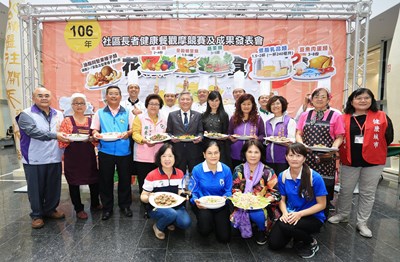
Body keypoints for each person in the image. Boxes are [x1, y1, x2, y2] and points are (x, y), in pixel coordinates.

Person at [328, 88, 394, 238]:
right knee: (345, 190)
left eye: (366, 98)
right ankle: (343, 215)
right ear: (352, 101)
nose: (363, 100)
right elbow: (337, 135)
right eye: (359, 98)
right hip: (350, 160)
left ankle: (362, 222)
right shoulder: (343, 117)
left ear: (372, 100)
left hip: (374, 161)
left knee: (367, 193)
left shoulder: (381, 117)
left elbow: (388, 137)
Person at [16, 87, 69, 229]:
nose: (44, 98)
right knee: (35, 188)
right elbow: (34, 132)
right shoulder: (26, 114)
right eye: (40, 95)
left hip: (54, 156)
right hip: (34, 158)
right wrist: (55, 135)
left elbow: (64, 131)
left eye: (46, 95)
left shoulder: (59, 114)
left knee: (53, 186)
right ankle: (37, 215)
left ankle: (50, 210)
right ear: (33, 98)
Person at [268, 143, 327, 259]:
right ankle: (296, 235)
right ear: (286, 157)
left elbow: (322, 204)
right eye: (291, 155)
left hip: (312, 216)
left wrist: (299, 214)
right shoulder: (283, 176)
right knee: (274, 244)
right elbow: (282, 200)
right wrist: (284, 213)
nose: (294, 159)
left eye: (298, 156)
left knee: (284, 225)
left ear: (304, 158)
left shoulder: (314, 177)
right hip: (291, 214)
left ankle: (310, 242)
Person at [295, 87, 344, 218]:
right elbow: (298, 133)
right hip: (307, 156)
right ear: (311, 99)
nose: (319, 99)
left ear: (328, 99)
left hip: (326, 157)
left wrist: (333, 148)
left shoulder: (336, 115)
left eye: (323, 96)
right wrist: (302, 145)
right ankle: (305, 213)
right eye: (316, 96)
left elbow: (340, 136)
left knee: (324, 186)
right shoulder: (306, 115)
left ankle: (322, 216)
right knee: (306, 184)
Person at [91, 86, 134, 220]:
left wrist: (128, 133)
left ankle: (125, 205)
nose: (114, 96)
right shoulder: (99, 113)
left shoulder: (128, 112)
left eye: (116, 94)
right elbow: (94, 130)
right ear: (106, 96)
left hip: (124, 151)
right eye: (111, 94)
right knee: (105, 180)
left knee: (125, 180)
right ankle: (107, 208)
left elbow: (133, 129)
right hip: (106, 151)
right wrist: (96, 134)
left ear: (120, 97)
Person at [59, 93, 101, 219]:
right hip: (73, 157)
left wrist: (92, 138)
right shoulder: (67, 121)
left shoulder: (91, 120)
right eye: (76, 103)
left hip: (88, 156)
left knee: (94, 180)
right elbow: (61, 140)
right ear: (72, 105)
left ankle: (95, 203)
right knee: (73, 182)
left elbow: (96, 139)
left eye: (81, 103)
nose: (79, 105)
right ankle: (79, 208)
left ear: (86, 105)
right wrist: (68, 139)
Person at [231, 140, 281, 245]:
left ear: (261, 154)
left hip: (263, 206)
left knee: (257, 215)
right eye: (250, 152)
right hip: (242, 204)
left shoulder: (268, 171)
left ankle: (261, 230)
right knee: (232, 227)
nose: (253, 155)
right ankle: (249, 224)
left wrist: (264, 200)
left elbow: (276, 193)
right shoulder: (238, 169)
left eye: (256, 152)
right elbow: (234, 188)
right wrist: (239, 196)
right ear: (244, 153)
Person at [140, 143, 192, 240]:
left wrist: (185, 194)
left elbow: (180, 191)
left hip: (175, 206)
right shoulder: (152, 175)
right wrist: (148, 198)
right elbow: (143, 195)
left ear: (175, 158)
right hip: (156, 207)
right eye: (164, 156)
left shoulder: (180, 173)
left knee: (185, 223)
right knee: (171, 214)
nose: (167, 159)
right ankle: (158, 227)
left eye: (170, 156)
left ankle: (169, 221)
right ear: (159, 158)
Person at [190, 141, 233, 243]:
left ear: (219, 153)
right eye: (209, 153)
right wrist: (196, 201)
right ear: (204, 154)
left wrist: (225, 198)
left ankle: (216, 221)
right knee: (204, 231)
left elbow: (228, 191)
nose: (213, 156)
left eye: (216, 152)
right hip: (203, 205)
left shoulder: (226, 170)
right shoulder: (197, 170)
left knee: (224, 238)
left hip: (220, 205)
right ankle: (205, 221)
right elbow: (193, 192)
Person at [132, 94, 167, 194]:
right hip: (142, 157)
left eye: (156, 104)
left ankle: (157, 207)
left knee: (158, 184)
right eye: (151, 103)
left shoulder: (163, 119)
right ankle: (145, 207)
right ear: (147, 105)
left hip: (159, 157)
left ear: (160, 106)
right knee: (144, 185)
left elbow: (165, 134)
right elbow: (135, 133)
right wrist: (144, 140)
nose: (153, 106)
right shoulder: (139, 118)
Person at [166, 91, 203, 173]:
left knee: (195, 176)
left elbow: (200, 131)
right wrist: (171, 138)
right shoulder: (172, 115)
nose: (185, 101)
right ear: (179, 101)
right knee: (178, 177)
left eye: (187, 99)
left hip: (194, 152)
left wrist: (200, 137)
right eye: (182, 99)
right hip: (177, 151)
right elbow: (168, 132)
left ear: (192, 101)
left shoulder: (198, 115)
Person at [228, 94, 265, 169]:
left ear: (253, 105)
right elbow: (229, 133)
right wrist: (231, 138)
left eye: (249, 104)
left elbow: (262, 135)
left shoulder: (258, 119)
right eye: (244, 104)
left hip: (252, 155)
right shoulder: (233, 118)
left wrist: (257, 138)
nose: (246, 106)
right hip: (236, 154)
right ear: (240, 105)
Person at [265, 96, 296, 175]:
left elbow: (292, 141)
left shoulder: (289, 121)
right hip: (269, 159)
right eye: (272, 104)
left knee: (282, 181)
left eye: (278, 103)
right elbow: (266, 140)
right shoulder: (268, 122)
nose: (275, 106)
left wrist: (279, 141)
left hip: (283, 159)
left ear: (283, 105)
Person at [202, 91, 231, 168]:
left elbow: (226, 133)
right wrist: (203, 133)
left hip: (220, 148)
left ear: (220, 101)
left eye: (216, 100)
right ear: (208, 101)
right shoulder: (203, 115)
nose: (214, 103)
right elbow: (201, 132)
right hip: (207, 146)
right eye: (212, 100)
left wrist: (224, 137)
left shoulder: (224, 115)